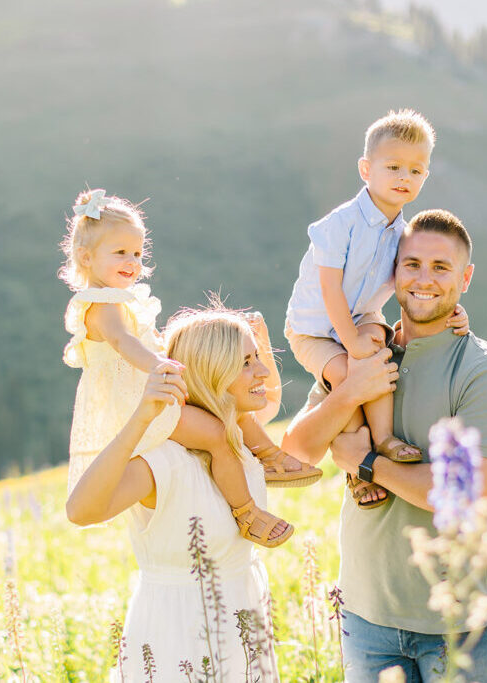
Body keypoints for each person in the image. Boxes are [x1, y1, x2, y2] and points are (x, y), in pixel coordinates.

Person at [282, 210, 487, 682]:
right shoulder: (360, 353)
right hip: (366, 616)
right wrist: (351, 389)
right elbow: (295, 452)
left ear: (465, 278)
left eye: (441, 267)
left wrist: (366, 463)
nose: (424, 279)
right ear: (392, 271)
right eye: (411, 264)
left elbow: (466, 493)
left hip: (457, 623)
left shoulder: (484, 371)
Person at [59, 189, 321, 547]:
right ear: (85, 257)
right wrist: (159, 366)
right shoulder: (101, 306)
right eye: (120, 252)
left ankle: (268, 455)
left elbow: (147, 341)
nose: (132, 261)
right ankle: (247, 512)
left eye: (137, 253)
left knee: (225, 401)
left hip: (155, 389)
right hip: (141, 402)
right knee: (215, 435)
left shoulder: (121, 300)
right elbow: (124, 343)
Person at [66, 308, 280, 681]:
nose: (262, 371)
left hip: (242, 633)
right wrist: (142, 419)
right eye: (246, 362)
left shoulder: (240, 446)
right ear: (211, 372)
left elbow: (269, 398)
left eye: (258, 358)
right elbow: (80, 511)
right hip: (174, 640)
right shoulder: (165, 462)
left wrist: (258, 333)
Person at [284, 110, 468, 503]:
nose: (405, 177)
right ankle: (357, 468)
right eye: (394, 167)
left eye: (416, 171)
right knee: (350, 376)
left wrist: (452, 311)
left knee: (377, 354)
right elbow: (330, 288)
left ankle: (383, 439)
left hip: (361, 317)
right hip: (313, 328)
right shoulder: (341, 224)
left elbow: (414, 286)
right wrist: (351, 344)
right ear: (366, 169)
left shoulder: (402, 234)